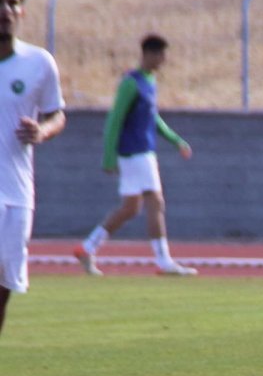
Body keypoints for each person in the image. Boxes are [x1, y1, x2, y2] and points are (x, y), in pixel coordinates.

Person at [74, 34, 196, 277]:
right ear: (148, 54)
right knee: (156, 202)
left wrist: (175, 140)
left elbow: (153, 118)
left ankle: (87, 248)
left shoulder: (150, 81)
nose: (164, 60)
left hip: (142, 152)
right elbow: (114, 119)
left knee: (130, 208)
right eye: (160, 55)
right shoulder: (132, 82)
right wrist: (108, 156)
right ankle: (163, 261)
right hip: (136, 153)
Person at [0, 0, 66, 336]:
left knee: (4, 288)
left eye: (12, 3)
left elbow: (57, 114)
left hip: (17, 194)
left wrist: (41, 130)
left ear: (21, 10)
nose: (5, 10)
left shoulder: (39, 63)